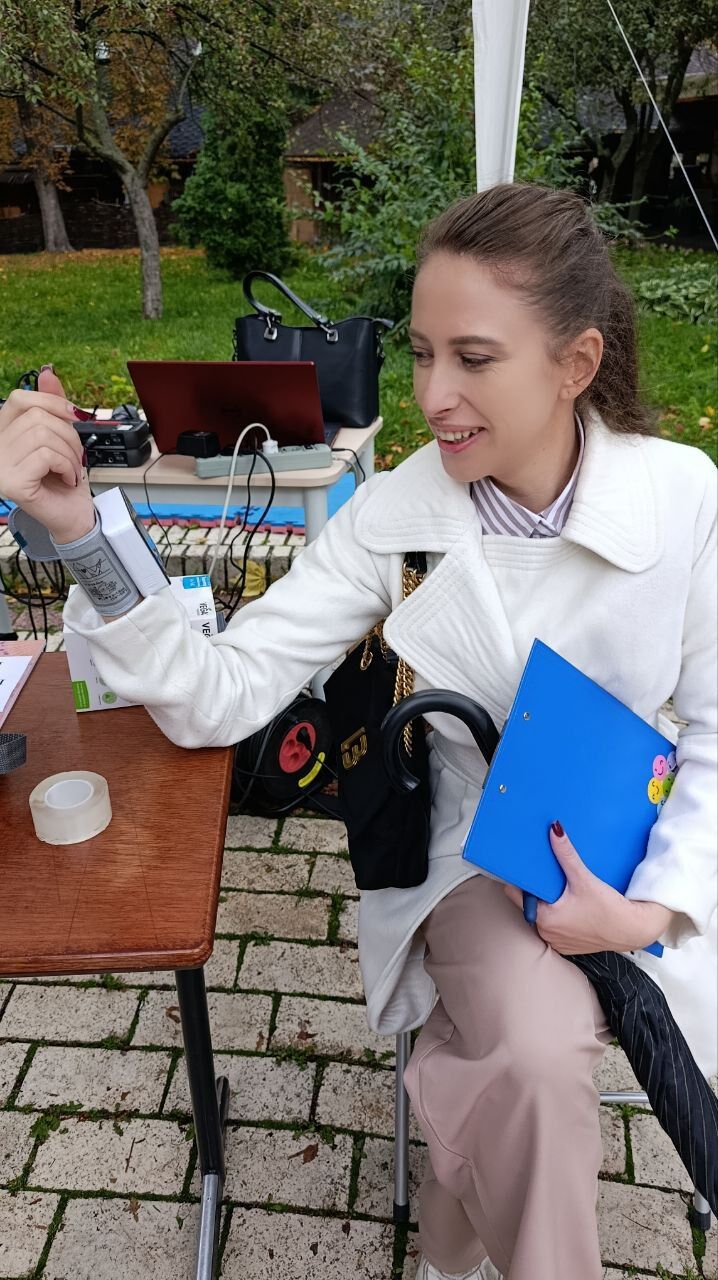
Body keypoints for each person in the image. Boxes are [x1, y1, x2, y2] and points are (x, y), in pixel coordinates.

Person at [1, 183, 715, 1280]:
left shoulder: (681, 497)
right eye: (421, 352)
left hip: (651, 842)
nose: (432, 395)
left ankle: (447, 1251)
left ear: (576, 362)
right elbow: (225, 691)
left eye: (474, 358)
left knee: (506, 1070)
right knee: (530, 1057)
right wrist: (80, 530)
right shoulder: (397, 517)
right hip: (480, 858)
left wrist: (652, 905)